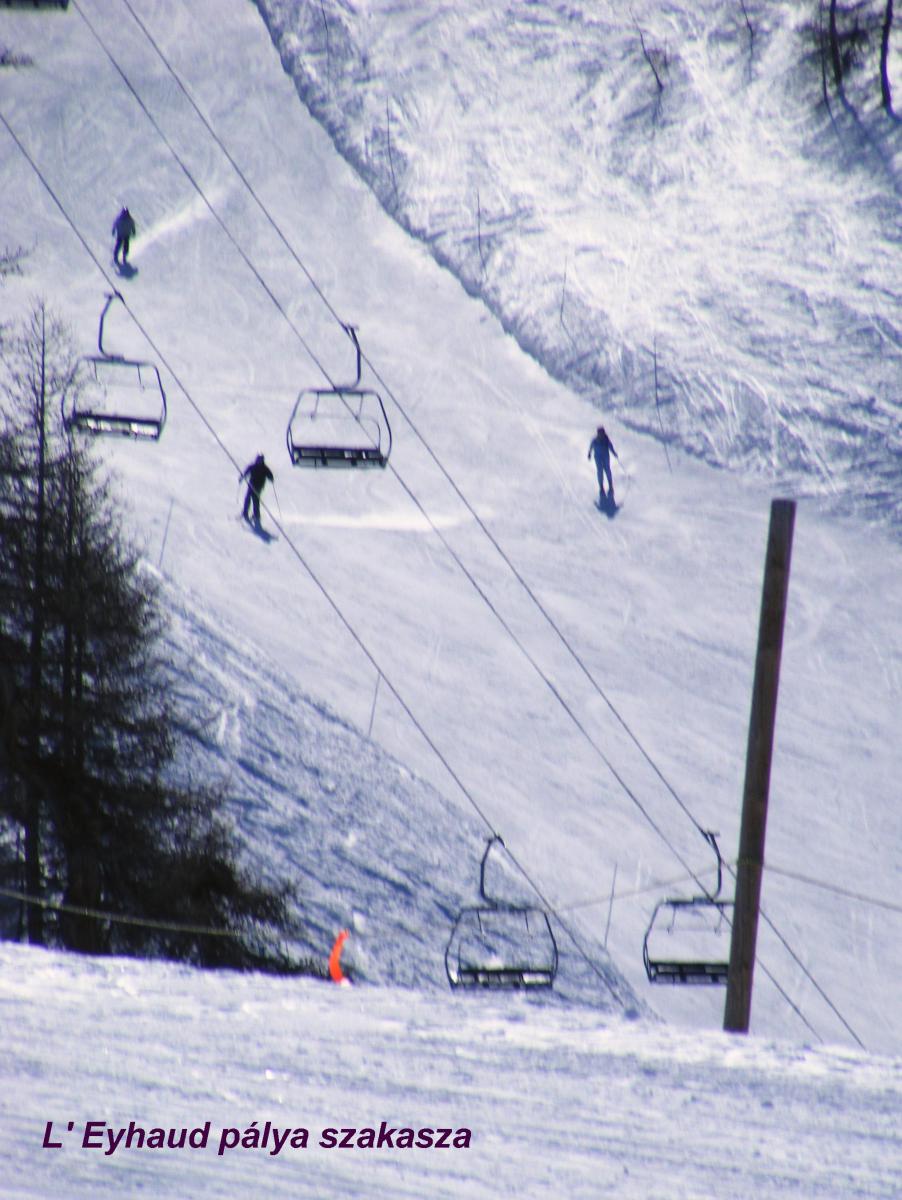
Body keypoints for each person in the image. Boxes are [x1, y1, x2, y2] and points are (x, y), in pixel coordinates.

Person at [588, 424, 619, 504]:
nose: (601, 435)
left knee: (607, 470)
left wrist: (614, 453)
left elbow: (610, 447)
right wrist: (589, 453)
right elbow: (591, 447)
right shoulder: (595, 440)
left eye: (602, 433)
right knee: (600, 471)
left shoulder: (606, 440)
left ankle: (610, 485)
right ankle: (601, 486)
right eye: (600, 433)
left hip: (605, 457)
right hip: (598, 458)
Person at [241, 453, 274, 528]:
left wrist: (271, 478)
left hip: (258, 486)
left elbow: (270, 475)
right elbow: (246, 471)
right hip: (251, 485)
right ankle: (245, 512)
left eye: (261, 460)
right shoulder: (253, 466)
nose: (259, 461)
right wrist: (242, 477)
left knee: (255, 500)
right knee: (247, 498)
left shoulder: (265, 468)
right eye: (258, 459)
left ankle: (256, 515)